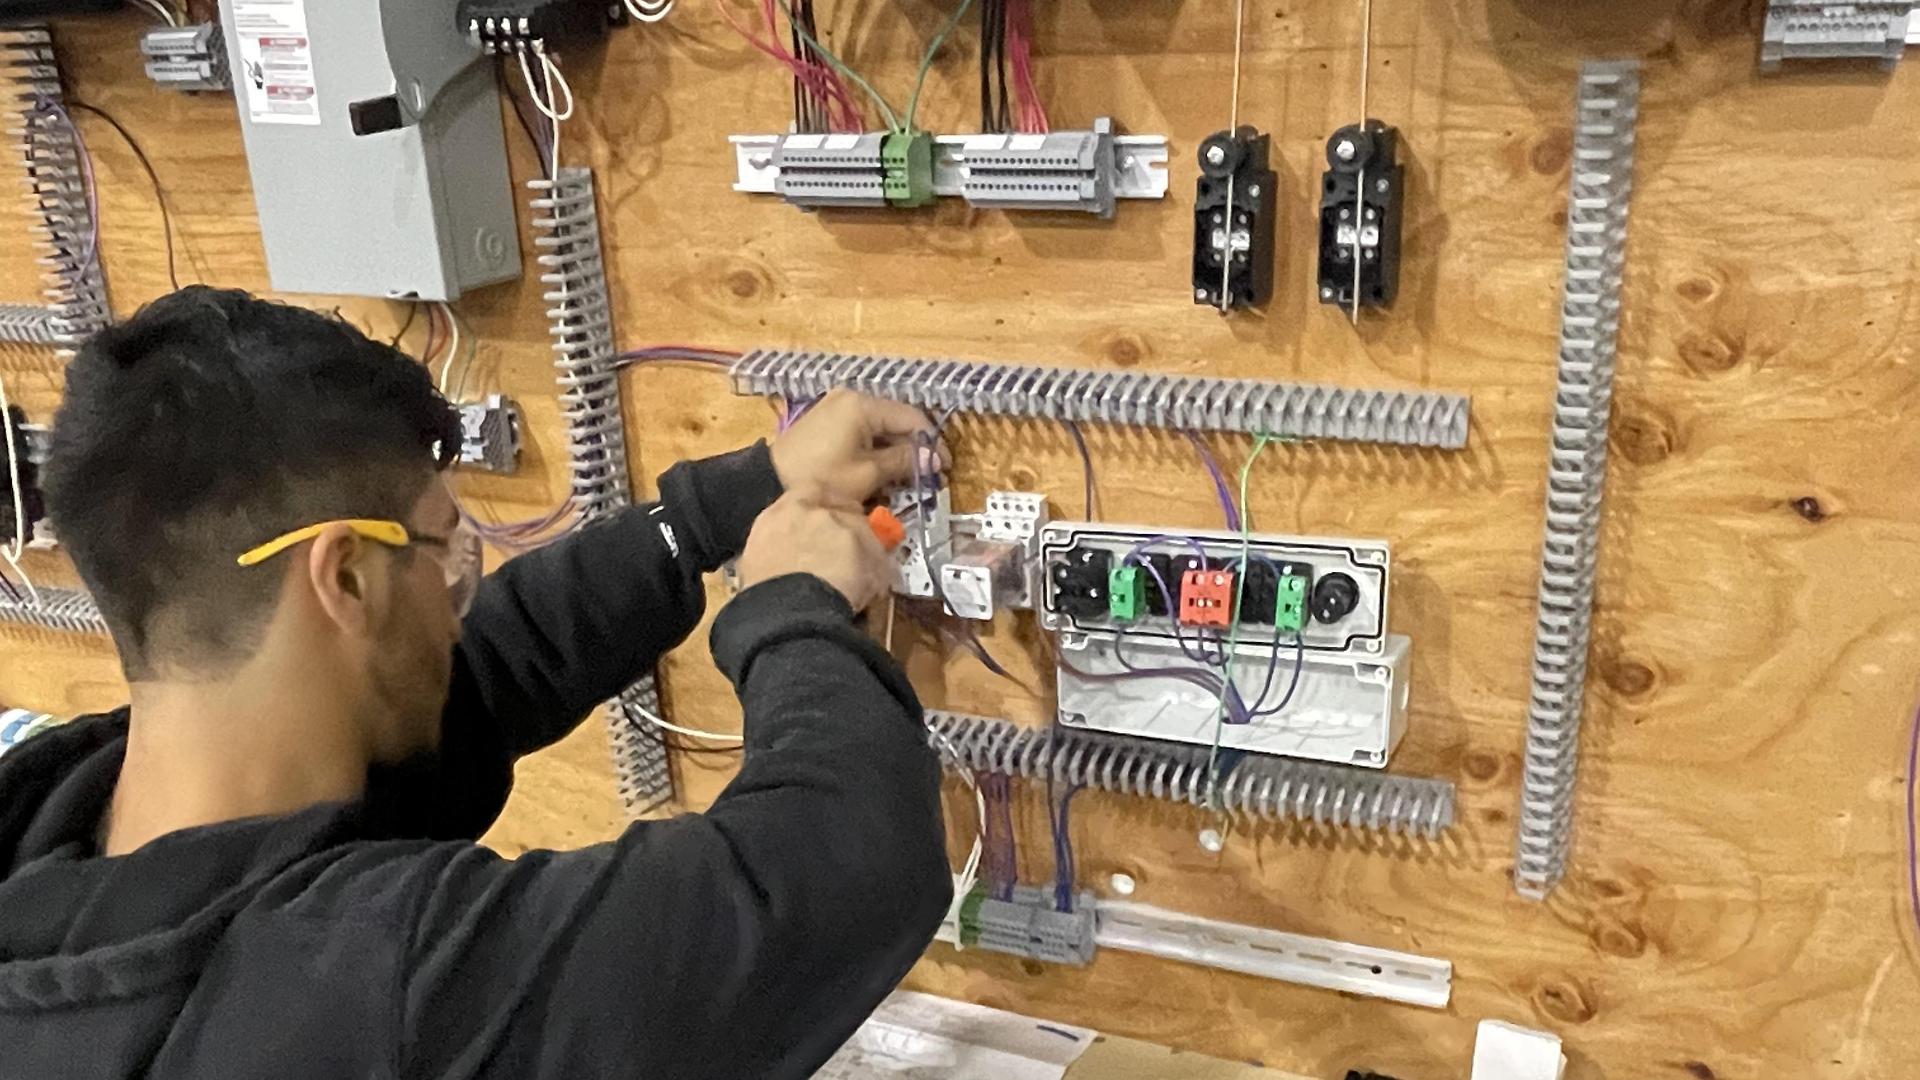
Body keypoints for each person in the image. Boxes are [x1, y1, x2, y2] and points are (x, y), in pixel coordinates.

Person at [0, 287, 954, 1078]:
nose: (461, 590)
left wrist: (717, 510)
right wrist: (791, 609)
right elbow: (839, 869)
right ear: (342, 577)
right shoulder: (378, 991)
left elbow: (480, 671)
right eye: (439, 546)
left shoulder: (58, 830)